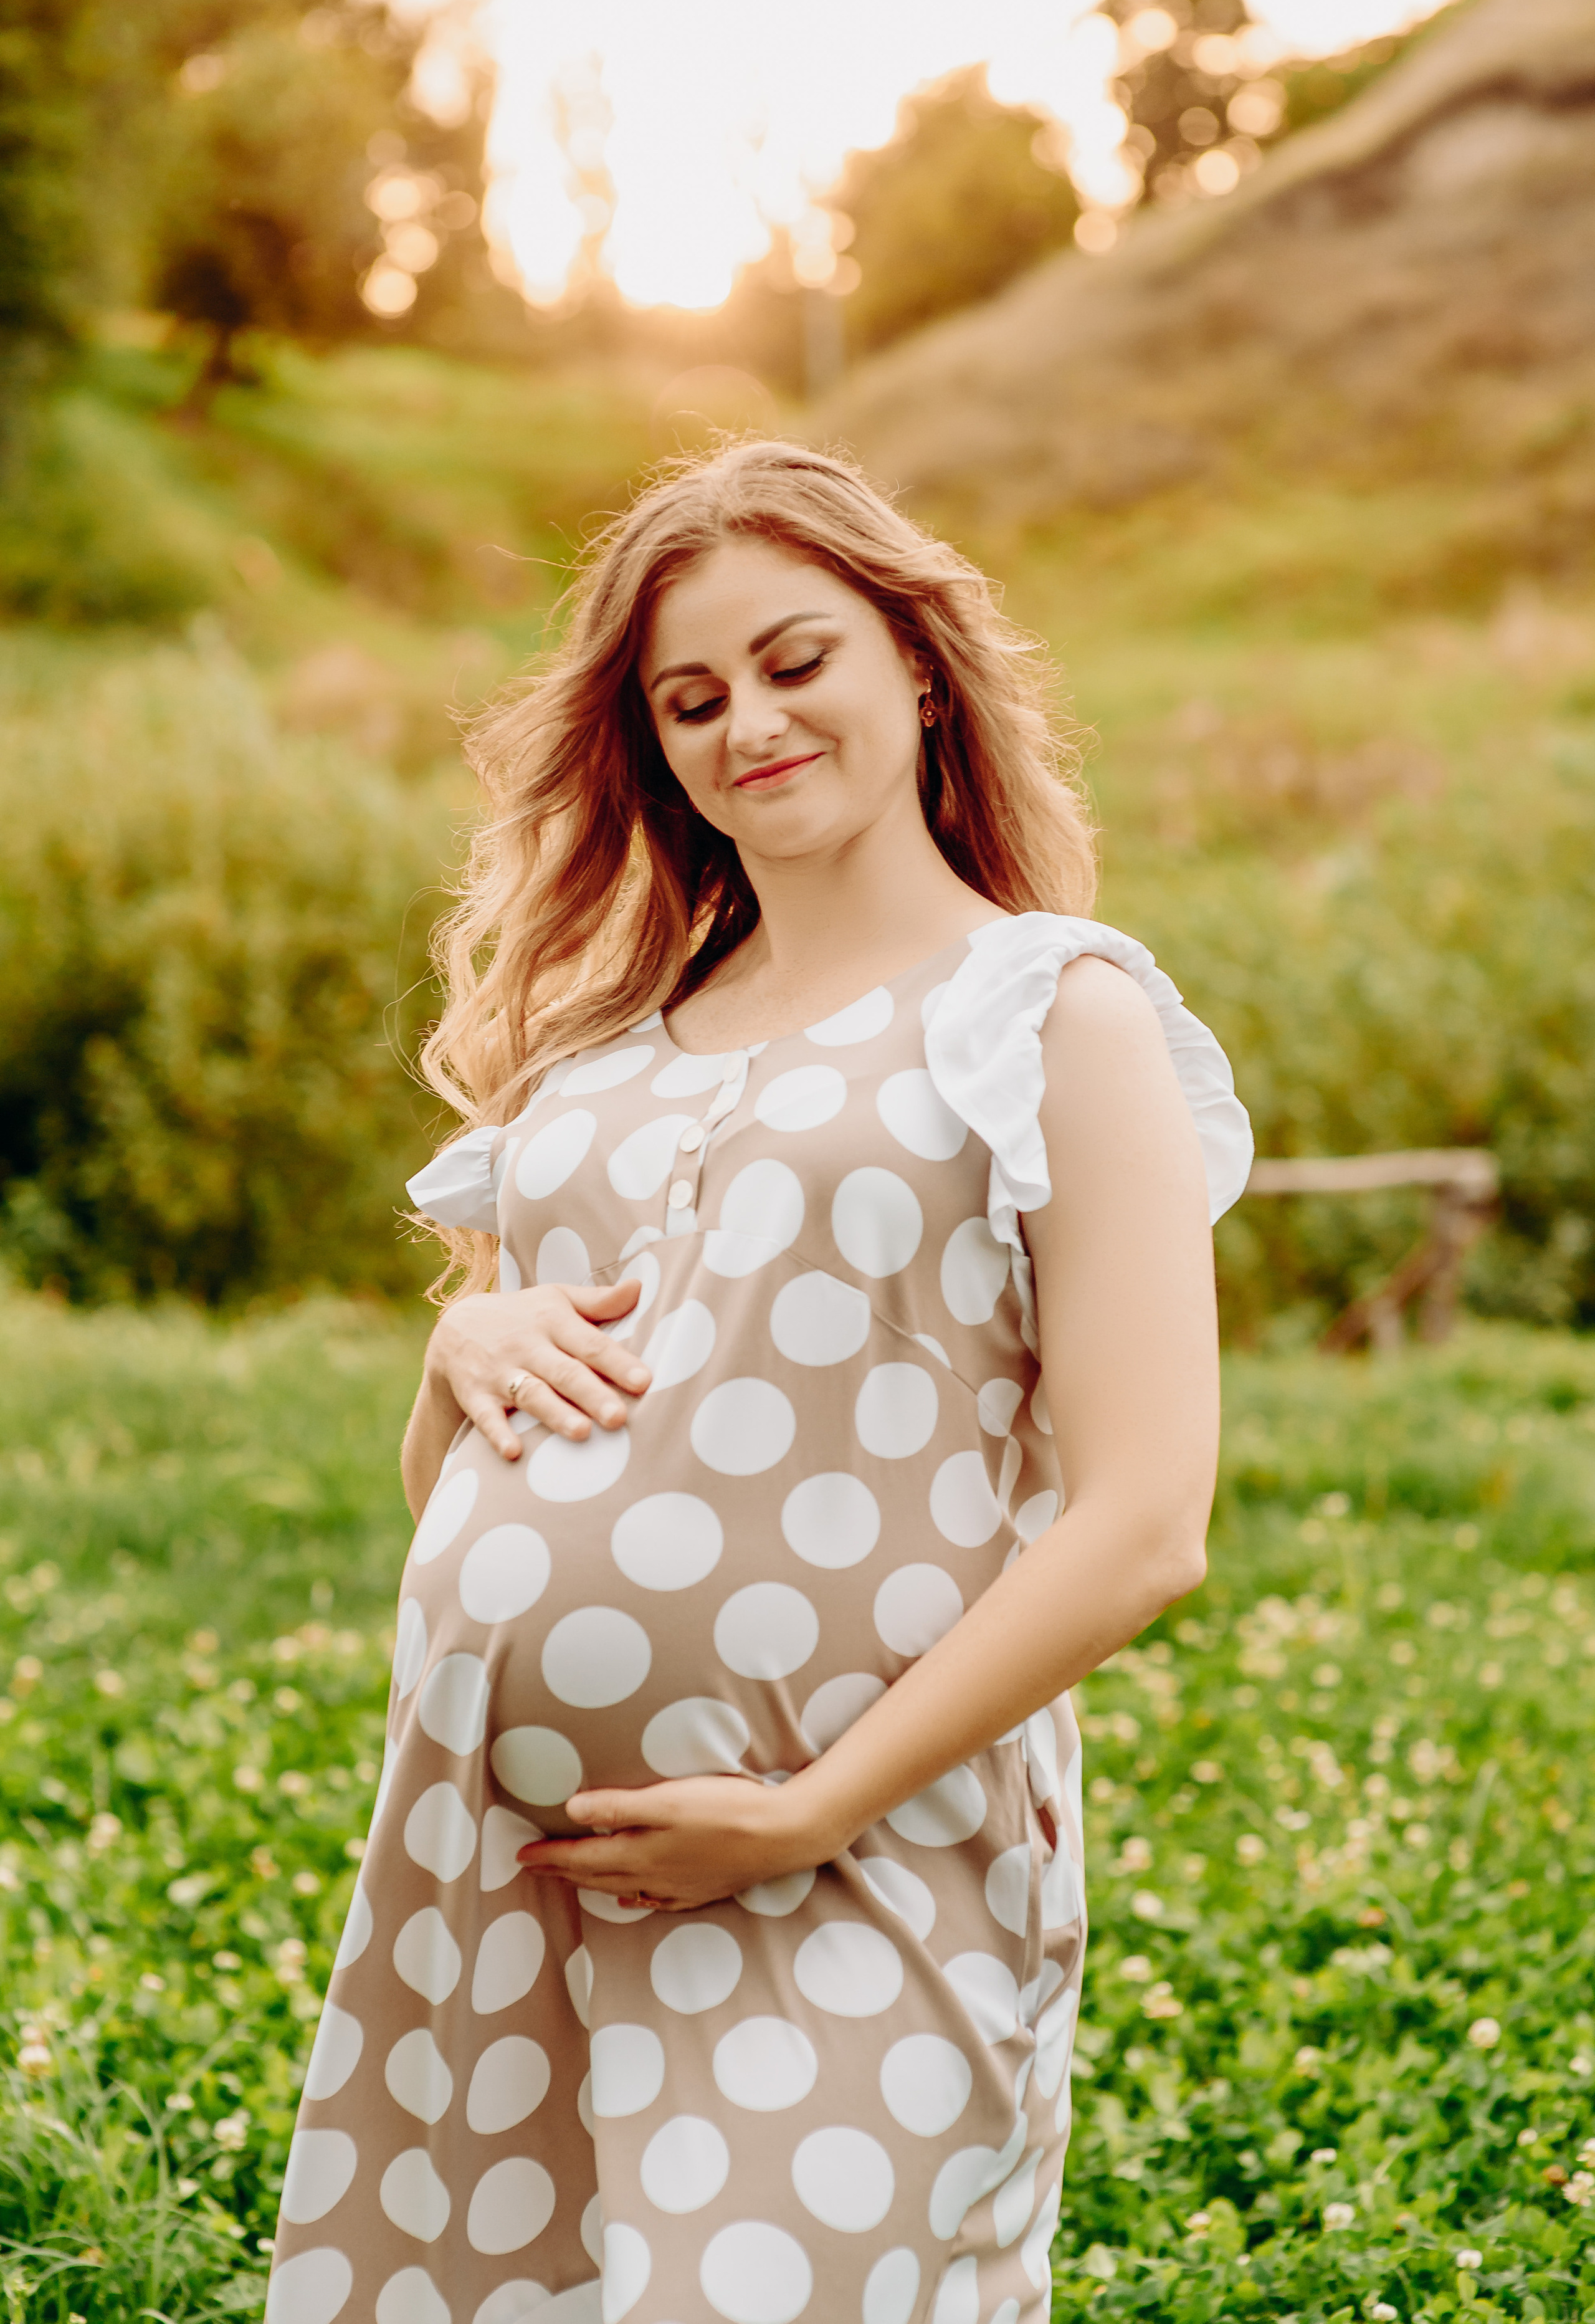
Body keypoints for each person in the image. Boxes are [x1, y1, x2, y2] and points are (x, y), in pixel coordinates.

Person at [264, 439, 1251, 2324]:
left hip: (857, 1861)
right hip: (501, 1861)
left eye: (799, 661)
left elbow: (1146, 1523)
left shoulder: (1055, 1013)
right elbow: (476, 1477)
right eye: (691, 698)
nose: (750, 724)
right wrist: (457, 1346)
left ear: (918, 663)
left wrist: (804, 1808)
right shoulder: (607, 1060)